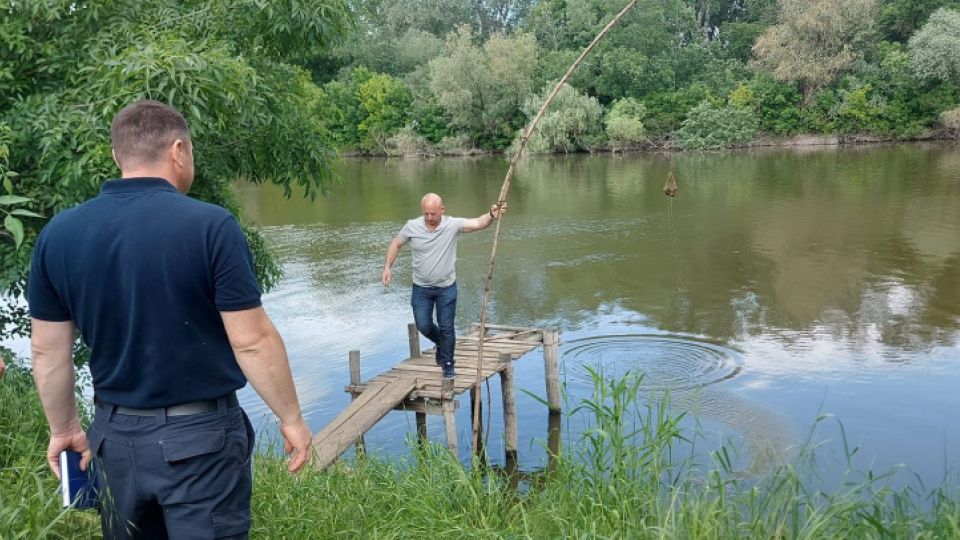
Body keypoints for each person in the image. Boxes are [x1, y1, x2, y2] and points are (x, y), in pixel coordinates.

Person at [29, 100, 311, 539]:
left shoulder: (59, 234)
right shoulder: (211, 226)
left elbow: (48, 351)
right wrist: (290, 417)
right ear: (178, 150)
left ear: (117, 156)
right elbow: (252, 341)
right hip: (200, 443)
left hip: (112, 441)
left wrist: (64, 428)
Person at [381, 193, 506, 379]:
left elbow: (478, 223)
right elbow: (396, 243)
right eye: (426, 214)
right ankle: (443, 343)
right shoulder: (412, 227)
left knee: (447, 327)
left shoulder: (451, 225)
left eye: (433, 213)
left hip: (446, 288)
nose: (430, 218)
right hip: (421, 288)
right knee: (423, 325)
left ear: (442, 210)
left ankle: (448, 364)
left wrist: (491, 214)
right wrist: (387, 267)